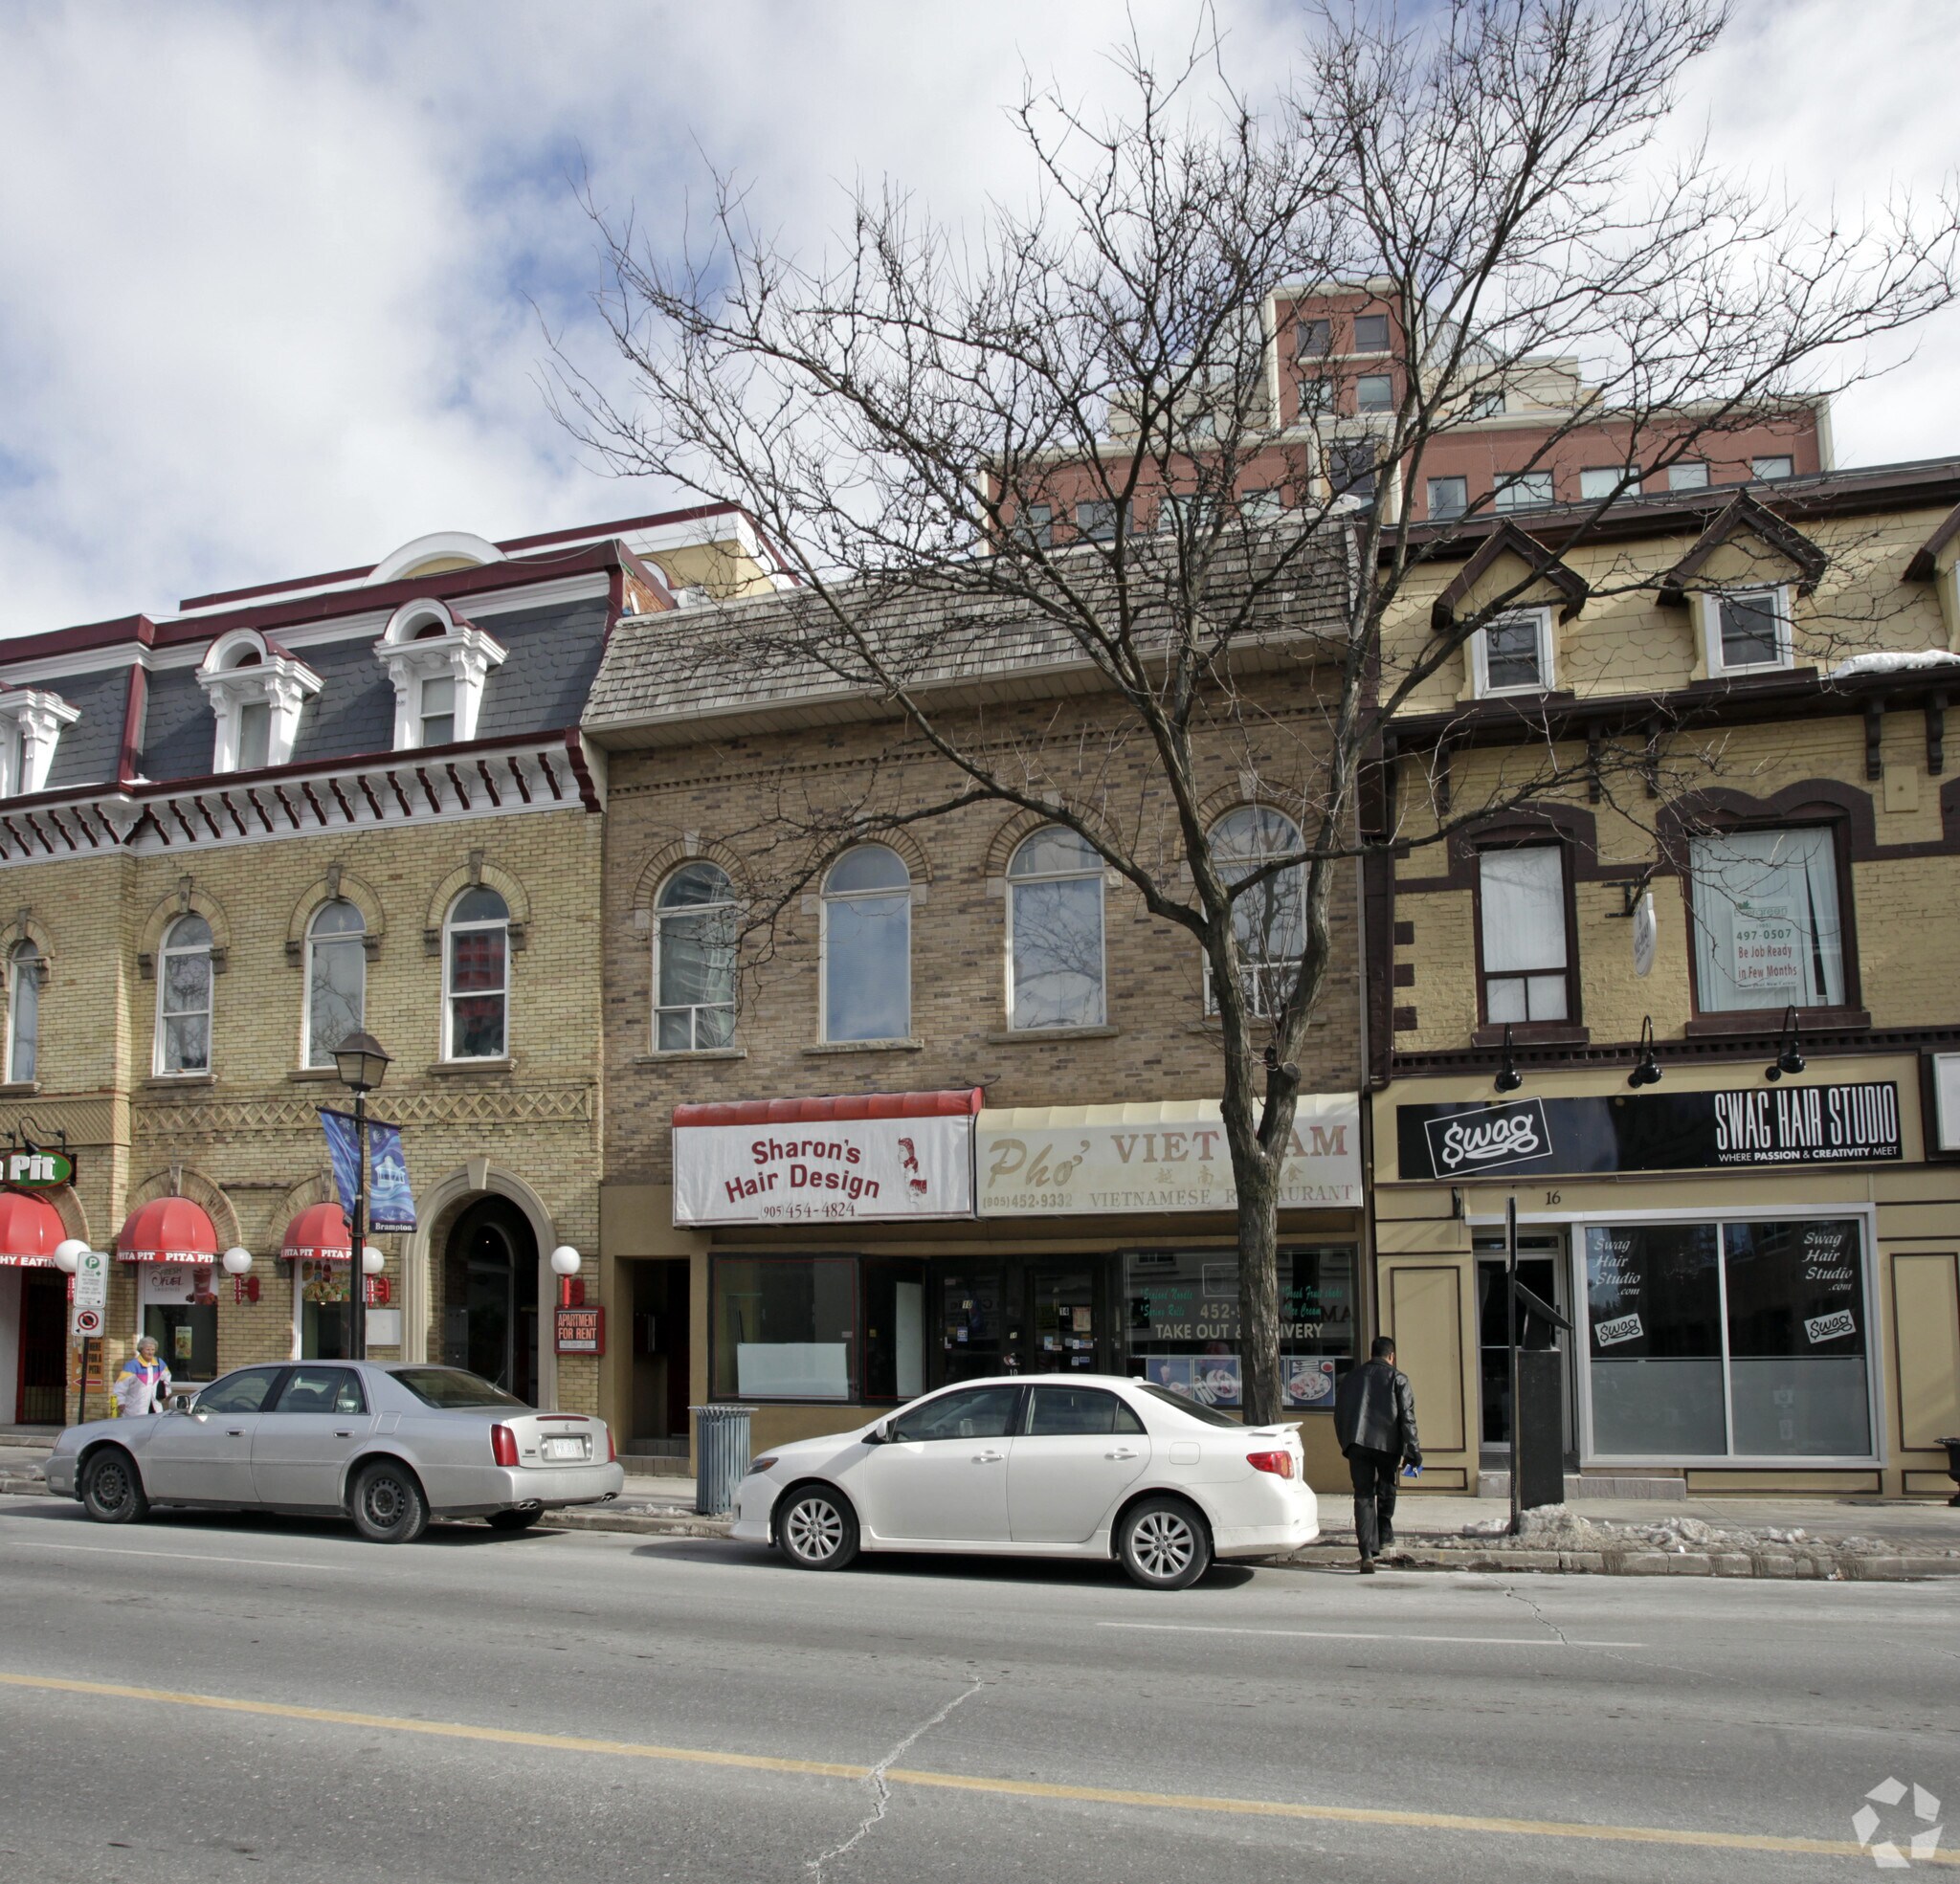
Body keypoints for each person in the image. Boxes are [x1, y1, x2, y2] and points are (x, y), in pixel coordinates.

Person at [1333, 1335, 1420, 1575]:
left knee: (1362, 1494)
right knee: (1386, 1486)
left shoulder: (1351, 1378)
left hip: (1357, 1444)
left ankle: (1366, 1553)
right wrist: (1413, 1449)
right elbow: (1407, 1417)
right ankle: (1384, 1533)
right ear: (1391, 1356)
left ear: (1372, 1354)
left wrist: (1347, 1443)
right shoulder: (1398, 1378)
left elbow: (1339, 1412)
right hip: (1387, 1444)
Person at [113, 1335, 172, 1419]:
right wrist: (120, 1402)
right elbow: (120, 1387)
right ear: (141, 1350)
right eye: (148, 1349)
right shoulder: (132, 1365)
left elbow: (167, 1379)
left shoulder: (160, 1363)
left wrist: (166, 1393)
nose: (150, 1352)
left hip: (155, 1408)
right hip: (135, 1409)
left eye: (153, 1349)